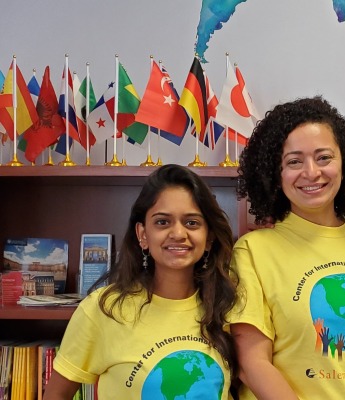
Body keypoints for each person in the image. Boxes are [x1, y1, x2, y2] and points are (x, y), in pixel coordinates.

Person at [229, 96, 345, 400]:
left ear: (344, 163)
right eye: (294, 161)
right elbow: (251, 364)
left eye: (324, 158)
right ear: (275, 173)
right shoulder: (253, 252)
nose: (311, 172)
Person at [43, 164, 237, 400]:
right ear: (143, 235)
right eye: (163, 222)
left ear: (209, 239)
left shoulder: (228, 308)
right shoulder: (103, 309)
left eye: (192, 223)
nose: (178, 233)